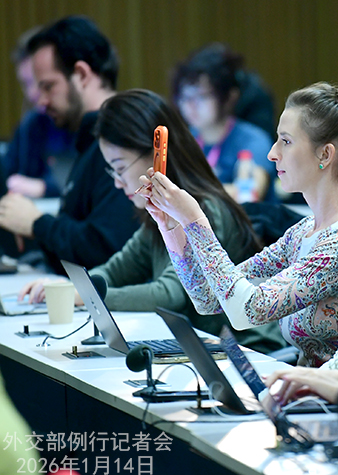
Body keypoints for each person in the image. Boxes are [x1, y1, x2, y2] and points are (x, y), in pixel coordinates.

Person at [140, 82, 338, 367]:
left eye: (286, 141)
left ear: (325, 154)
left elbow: (247, 311)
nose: (272, 153)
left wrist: (195, 220)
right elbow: (210, 298)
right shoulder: (301, 233)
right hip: (307, 386)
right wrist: (172, 225)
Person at [19, 89, 286, 355]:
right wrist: (71, 288)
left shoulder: (203, 212)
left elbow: (169, 294)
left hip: (250, 355)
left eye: (120, 168)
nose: (117, 182)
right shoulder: (159, 216)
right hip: (208, 350)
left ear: (158, 157)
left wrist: (87, 296)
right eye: (112, 171)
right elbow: (116, 271)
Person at [0, 16, 139, 274]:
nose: (40, 101)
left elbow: (108, 249)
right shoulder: (89, 140)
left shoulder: (123, 141)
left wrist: (37, 224)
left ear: (82, 75)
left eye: (48, 87)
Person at [172, 43, 277, 202]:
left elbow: (250, 194)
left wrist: (186, 192)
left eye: (202, 97)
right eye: (185, 97)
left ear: (229, 97)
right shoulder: (183, 141)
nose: (191, 106)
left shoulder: (253, 140)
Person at [1, 26, 76, 199]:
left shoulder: (85, 121)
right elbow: (9, 170)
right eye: (26, 83)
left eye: (40, 82)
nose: (33, 93)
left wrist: (45, 188)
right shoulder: (32, 123)